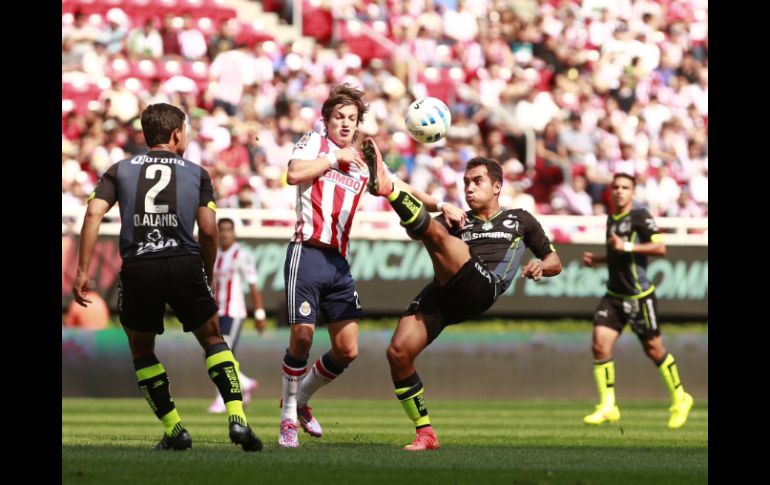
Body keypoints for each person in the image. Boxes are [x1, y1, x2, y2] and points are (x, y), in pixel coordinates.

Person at [72, 103, 262, 452]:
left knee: (142, 348)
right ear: (176, 134)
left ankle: (175, 429)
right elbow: (208, 229)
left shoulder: (120, 169)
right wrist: (205, 270)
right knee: (212, 337)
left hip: (139, 265)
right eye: (186, 131)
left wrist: (82, 270)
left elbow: (93, 212)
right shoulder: (197, 173)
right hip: (183, 261)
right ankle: (238, 419)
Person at [363, 140, 563, 451]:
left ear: (497, 186)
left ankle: (390, 188)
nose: (469, 188)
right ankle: (425, 434)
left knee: (441, 238)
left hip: (482, 285)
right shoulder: (458, 219)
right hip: (446, 292)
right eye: (466, 182)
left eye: (477, 181)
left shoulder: (520, 219)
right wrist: (440, 210)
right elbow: (418, 231)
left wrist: (540, 266)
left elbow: (555, 262)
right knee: (398, 353)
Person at [278, 84, 371, 448]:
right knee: (302, 335)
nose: (345, 124)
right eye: (339, 117)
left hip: (338, 262)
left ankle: (301, 401)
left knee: (348, 349)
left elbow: (396, 186)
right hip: (307, 251)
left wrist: (440, 206)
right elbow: (294, 174)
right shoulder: (313, 143)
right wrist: (335, 159)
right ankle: (287, 416)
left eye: (352, 118)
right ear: (326, 120)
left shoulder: (362, 164)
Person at [582, 173, 693, 429]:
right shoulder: (612, 218)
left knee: (654, 350)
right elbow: (617, 253)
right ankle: (608, 406)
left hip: (639, 296)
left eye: (625, 188)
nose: (620, 192)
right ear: (610, 192)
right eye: (616, 188)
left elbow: (660, 247)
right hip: (614, 296)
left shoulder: (640, 216)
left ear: (633, 193)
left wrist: (628, 248)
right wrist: (599, 259)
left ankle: (680, 397)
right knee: (600, 345)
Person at [207, 217, 265, 413]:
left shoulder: (242, 254)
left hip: (233, 312)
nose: (224, 234)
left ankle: (221, 399)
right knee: (216, 354)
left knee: (220, 354)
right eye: (221, 230)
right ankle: (245, 383)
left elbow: (253, 284)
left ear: (234, 233)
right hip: (217, 312)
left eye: (228, 230)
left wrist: (259, 313)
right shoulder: (214, 255)